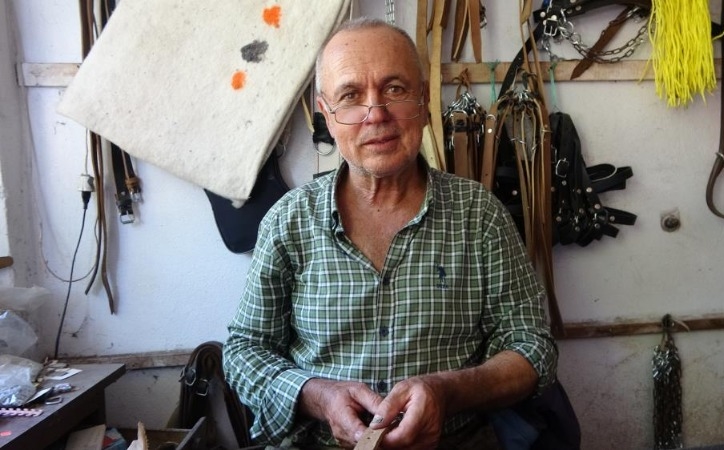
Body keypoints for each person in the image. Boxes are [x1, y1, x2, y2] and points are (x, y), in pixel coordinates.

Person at [223, 17, 558, 450]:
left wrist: (446, 392)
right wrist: (317, 396)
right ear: (326, 114)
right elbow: (244, 351)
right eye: (350, 96)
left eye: (395, 89)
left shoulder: (480, 216)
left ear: (422, 98)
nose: (376, 114)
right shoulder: (289, 222)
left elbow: (532, 346)